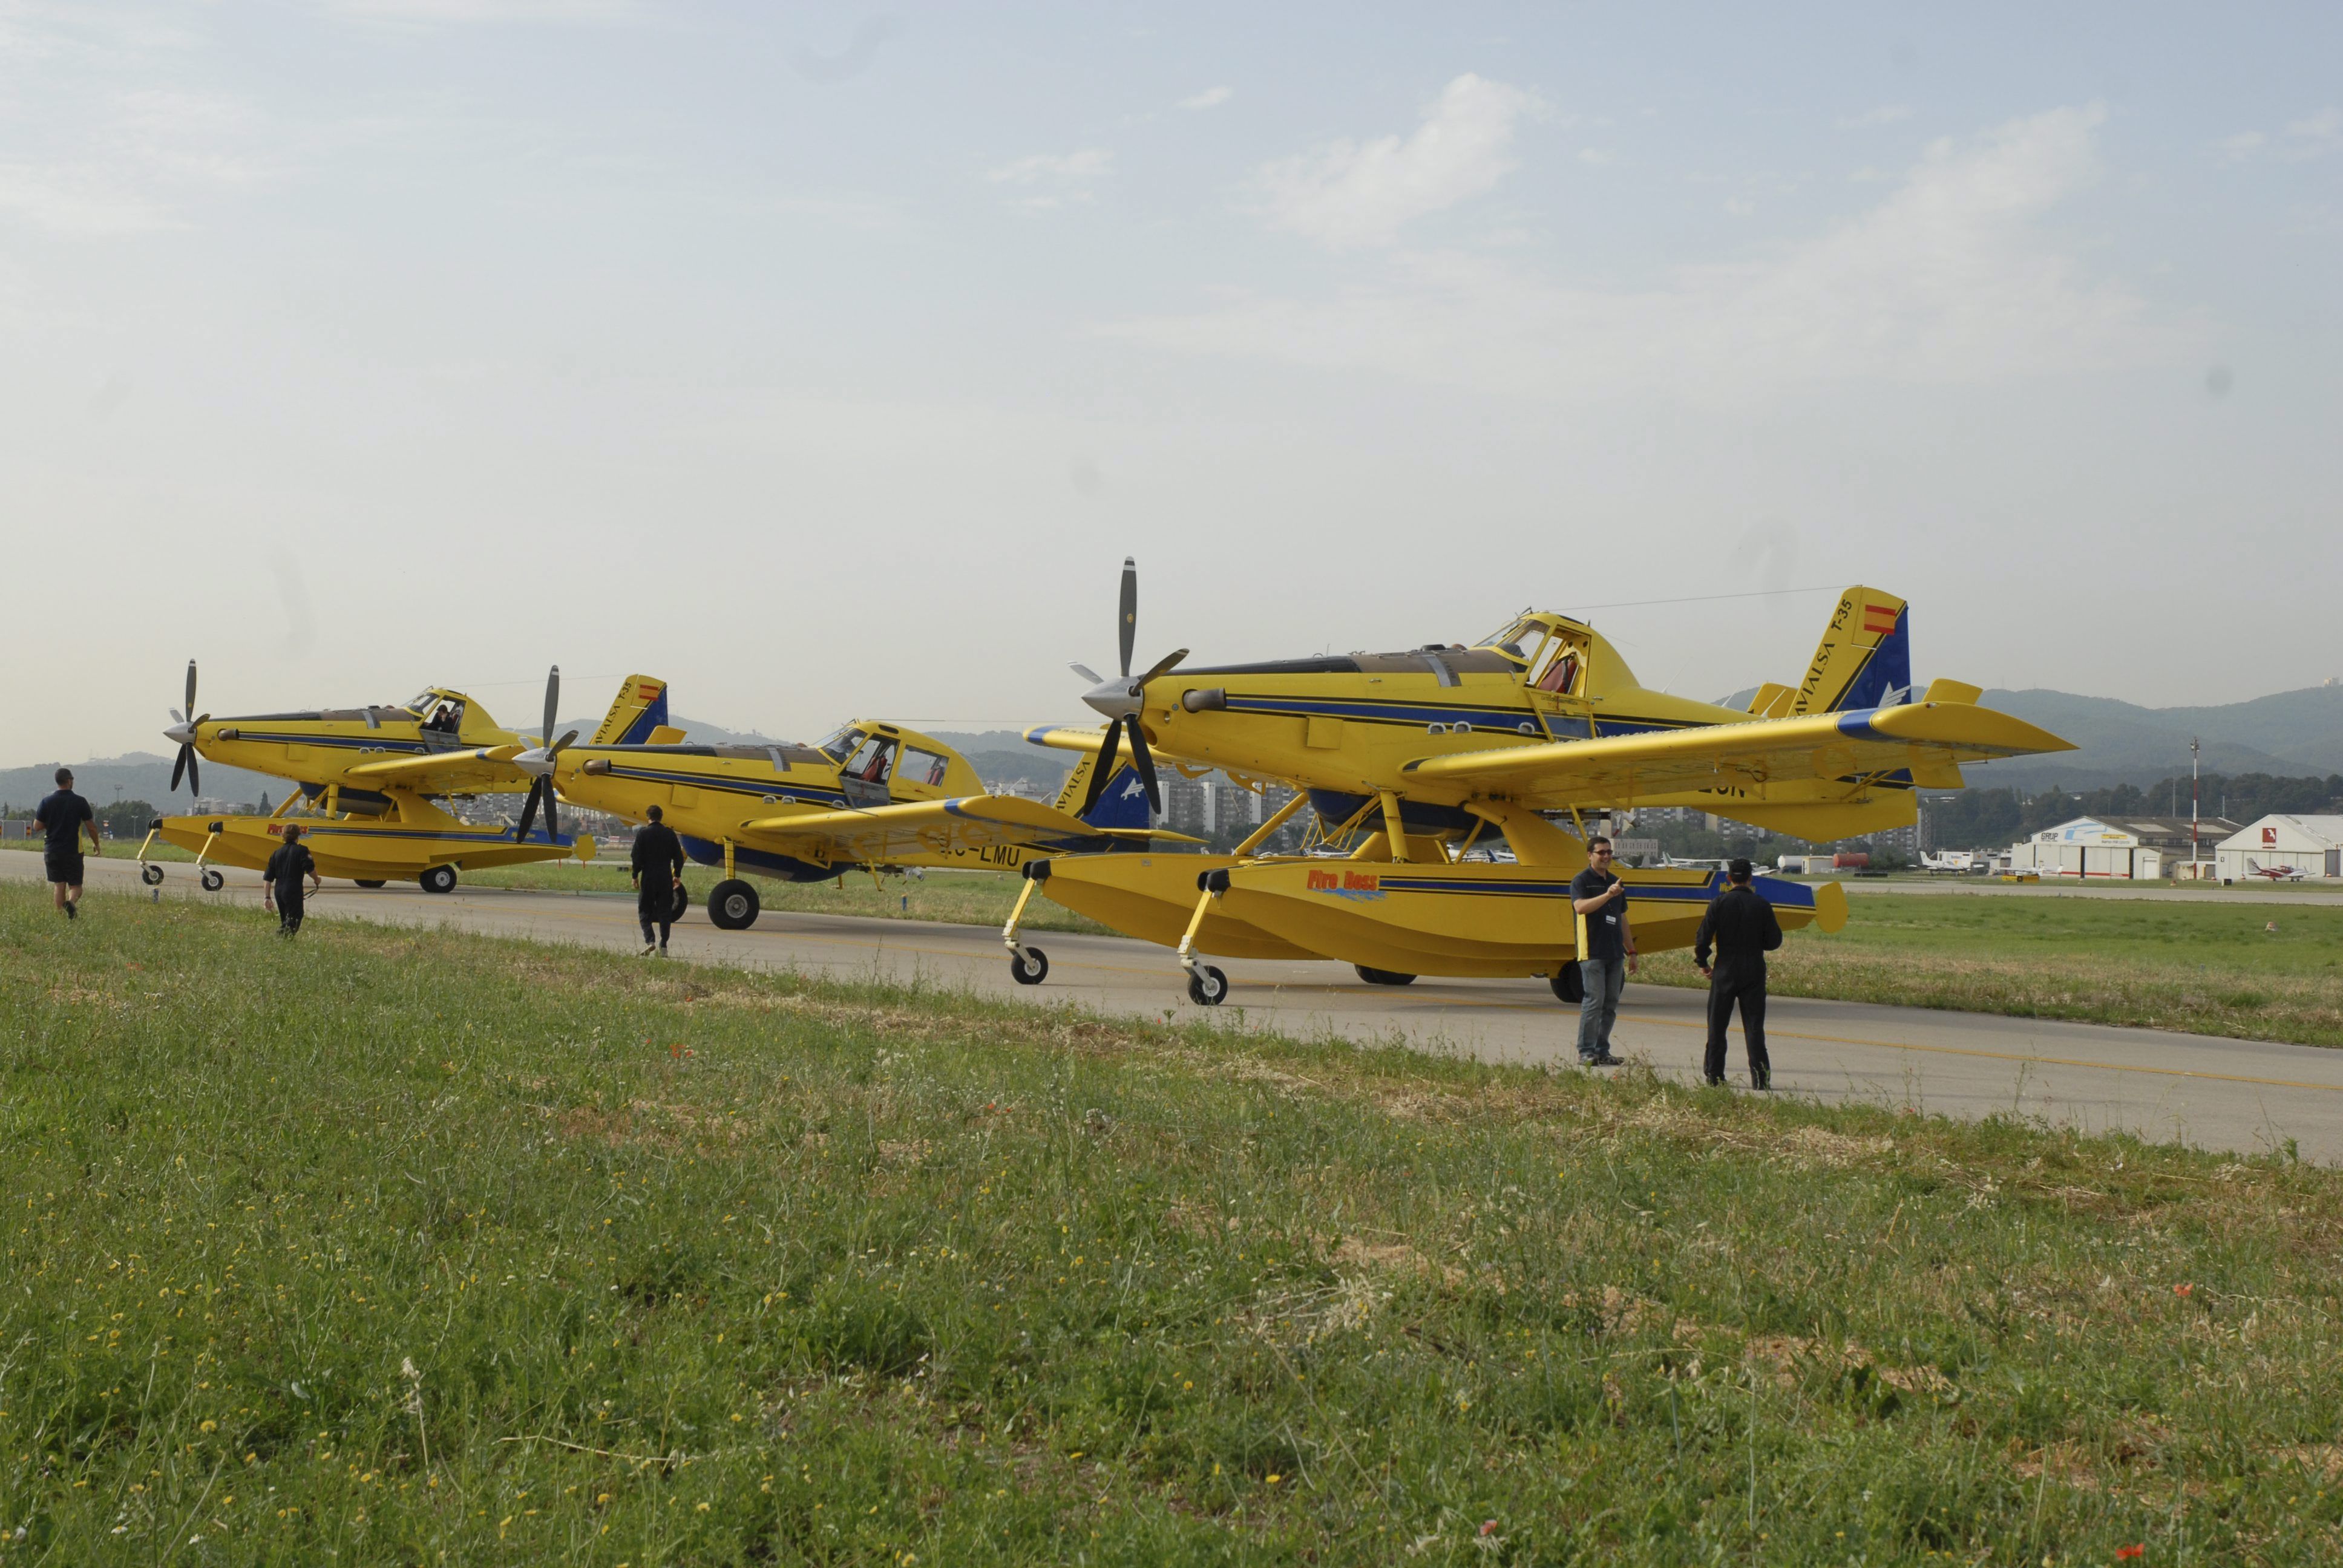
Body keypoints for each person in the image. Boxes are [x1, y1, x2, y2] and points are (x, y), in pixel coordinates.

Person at [1694, 857, 1783, 1089]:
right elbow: (1774, 941)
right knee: (1754, 1027)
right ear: (1751, 879)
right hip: (1753, 969)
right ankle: (1761, 1079)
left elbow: (1702, 938)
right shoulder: (1762, 905)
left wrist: (1703, 962)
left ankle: (1715, 1075)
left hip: (1725, 969)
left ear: (1729, 878)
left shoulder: (1719, 903)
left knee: (1717, 1025)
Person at [1568, 835, 1637, 1067]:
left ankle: (1602, 1049)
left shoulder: (1617, 881)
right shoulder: (1582, 881)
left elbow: (1622, 918)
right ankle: (1586, 1051)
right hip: (1592, 952)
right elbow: (1580, 908)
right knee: (1593, 1001)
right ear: (1590, 855)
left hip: (1615, 952)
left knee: (1610, 1003)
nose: (1607, 856)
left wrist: (1632, 951)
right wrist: (1608, 894)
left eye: (1609, 852)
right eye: (1601, 853)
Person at [33, 767, 99, 920]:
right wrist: (97, 844)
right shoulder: (79, 801)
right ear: (69, 781)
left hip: (52, 850)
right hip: (73, 851)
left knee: (59, 885)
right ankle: (71, 902)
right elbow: (91, 827)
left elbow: (37, 826)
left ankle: (60, 917)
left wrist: (52, 822)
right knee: (76, 887)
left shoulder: (46, 801)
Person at [630, 805, 685, 956]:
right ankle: (664, 945)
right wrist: (677, 875)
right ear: (661, 817)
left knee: (645, 911)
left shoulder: (643, 834)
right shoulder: (670, 834)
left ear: (648, 817)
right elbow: (678, 857)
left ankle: (650, 941)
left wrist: (635, 875)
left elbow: (636, 857)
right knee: (665, 912)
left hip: (648, 876)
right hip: (665, 877)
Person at [261, 824, 321, 936]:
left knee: (286, 919)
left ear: (282, 836)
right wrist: (317, 880)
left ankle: (284, 941)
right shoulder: (302, 851)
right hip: (293, 890)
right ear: (298, 836)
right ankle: (279, 939)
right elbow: (310, 869)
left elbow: (268, 878)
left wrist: (267, 897)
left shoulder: (276, 853)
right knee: (296, 917)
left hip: (279, 891)